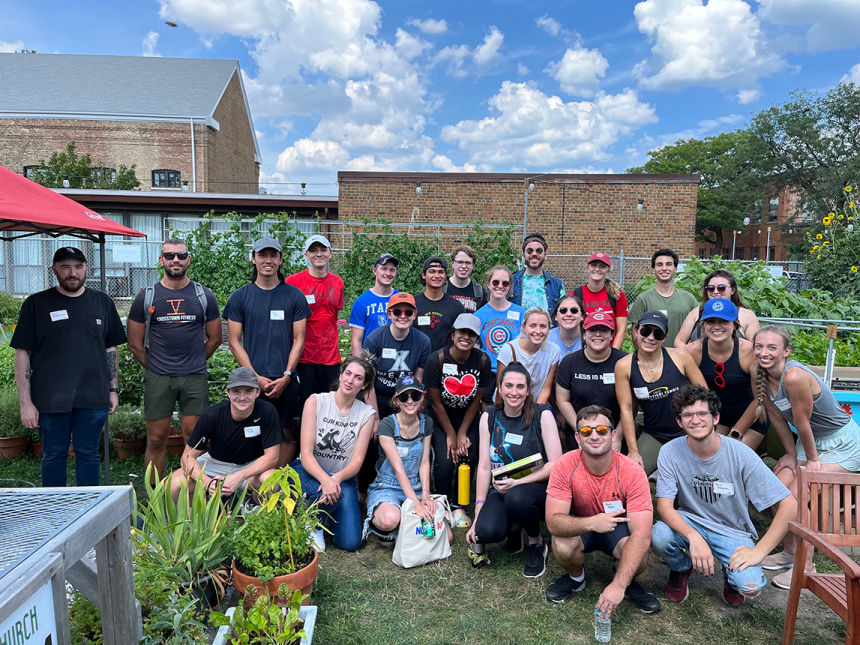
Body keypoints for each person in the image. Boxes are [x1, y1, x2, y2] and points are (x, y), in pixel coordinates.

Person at [652, 385, 796, 606]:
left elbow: (789, 506)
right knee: (659, 535)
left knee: (750, 588)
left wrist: (760, 551)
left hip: (731, 529)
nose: (696, 420)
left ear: (715, 417)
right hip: (691, 520)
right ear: (679, 422)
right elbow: (664, 507)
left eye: (702, 413)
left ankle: (731, 575)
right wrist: (694, 537)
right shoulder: (670, 451)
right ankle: (681, 568)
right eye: (687, 415)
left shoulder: (740, 453)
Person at [745, 325, 860, 589]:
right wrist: (789, 454)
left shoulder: (794, 376)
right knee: (777, 488)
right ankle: (789, 553)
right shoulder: (757, 371)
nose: (764, 353)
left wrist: (810, 463)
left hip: (842, 443)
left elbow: (802, 422)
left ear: (786, 351)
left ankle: (807, 564)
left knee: (799, 492)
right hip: (809, 442)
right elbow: (774, 415)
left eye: (772, 347)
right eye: (759, 346)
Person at [12, 246, 126, 487]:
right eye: (65, 267)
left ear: (86, 268)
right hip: (50, 398)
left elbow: (110, 349)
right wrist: (26, 402)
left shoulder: (102, 302)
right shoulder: (36, 304)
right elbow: (23, 353)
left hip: (93, 396)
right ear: (54, 270)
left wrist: (112, 389)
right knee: (54, 455)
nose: (72, 273)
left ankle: (88, 513)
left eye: (77, 266)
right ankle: (55, 512)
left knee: (89, 454)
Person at [543, 405, 660, 615]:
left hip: (618, 527)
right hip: (583, 524)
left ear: (613, 435)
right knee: (560, 542)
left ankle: (625, 580)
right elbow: (552, 521)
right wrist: (591, 522)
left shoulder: (633, 471)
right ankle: (576, 578)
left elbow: (642, 536)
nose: (594, 436)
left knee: (639, 555)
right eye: (587, 431)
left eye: (602, 430)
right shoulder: (564, 465)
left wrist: (619, 586)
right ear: (578, 438)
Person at [126, 238, 222, 482]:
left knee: (195, 438)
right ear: (161, 261)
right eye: (170, 256)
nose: (175, 260)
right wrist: (157, 366)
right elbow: (135, 344)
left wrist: (195, 361)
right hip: (159, 378)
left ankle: (193, 495)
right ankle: (155, 498)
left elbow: (214, 339)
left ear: (189, 259)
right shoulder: (146, 297)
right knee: (157, 439)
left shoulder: (204, 296)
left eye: (181, 255)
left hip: (194, 377)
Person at [466, 363, 563, 578]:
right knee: (486, 531)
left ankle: (536, 543)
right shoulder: (489, 416)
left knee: (517, 497)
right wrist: (478, 511)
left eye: (520, 387)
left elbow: (556, 464)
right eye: (508, 386)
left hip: (538, 488)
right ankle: (514, 528)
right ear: (499, 388)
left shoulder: (542, 414)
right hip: (502, 488)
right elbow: (483, 466)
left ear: (528, 390)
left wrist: (518, 483)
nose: (514, 392)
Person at [223, 237, 311, 466]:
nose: (268, 261)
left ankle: (277, 487)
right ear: (253, 259)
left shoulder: (294, 296)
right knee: (252, 431)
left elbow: (299, 339)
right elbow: (233, 341)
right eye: (263, 255)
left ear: (281, 260)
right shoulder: (240, 297)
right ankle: (252, 487)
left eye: (273, 255)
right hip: (252, 380)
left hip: (285, 378)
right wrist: (253, 377)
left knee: (286, 433)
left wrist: (287, 376)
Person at [292, 354, 378, 552]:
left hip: (343, 478)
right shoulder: (315, 402)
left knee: (350, 543)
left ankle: (323, 510)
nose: (350, 380)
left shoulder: (367, 414)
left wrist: (334, 480)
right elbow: (305, 453)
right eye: (348, 373)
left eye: (358, 377)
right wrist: (325, 480)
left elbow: (357, 462)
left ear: (364, 385)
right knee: (330, 493)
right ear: (340, 375)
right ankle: (313, 524)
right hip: (307, 470)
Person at [363, 375, 452, 545]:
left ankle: (402, 532)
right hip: (389, 486)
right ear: (396, 401)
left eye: (415, 396)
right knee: (389, 519)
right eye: (404, 397)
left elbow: (425, 462)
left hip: (416, 487)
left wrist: (425, 495)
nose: (410, 401)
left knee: (447, 536)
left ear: (422, 398)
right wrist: (416, 505)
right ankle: (390, 520)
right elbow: (398, 469)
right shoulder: (387, 425)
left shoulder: (427, 423)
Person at [169, 367, 280, 502]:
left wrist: (239, 476)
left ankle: (255, 513)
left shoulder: (267, 411)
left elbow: (272, 457)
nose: (242, 397)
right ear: (228, 392)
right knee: (175, 484)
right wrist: (207, 482)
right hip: (215, 463)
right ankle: (195, 519)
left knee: (272, 481)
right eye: (236, 391)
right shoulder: (212, 415)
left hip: (251, 465)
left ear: (257, 392)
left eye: (249, 391)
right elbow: (187, 457)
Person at [615, 311, 706, 475]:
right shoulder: (624, 366)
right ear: (636, 331)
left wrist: (702, 431)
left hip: (687, 433)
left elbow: (704, 395)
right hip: (654, 434)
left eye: (657, 333)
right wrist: (633, 450)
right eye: (645, 331)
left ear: (664, 337)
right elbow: (627, 409)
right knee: (630, 475)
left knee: (690, 486)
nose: (650, 337)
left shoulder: (680, 357)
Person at [424, 313, 492, 526]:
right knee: (445, 459)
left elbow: (477, 400)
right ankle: (443, 503)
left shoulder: (482, 360)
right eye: (462, 332)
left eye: (472, 334)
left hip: (466, 416)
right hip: (439, 416)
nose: (466, 337)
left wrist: (462, 433)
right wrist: (451, 435)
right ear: (453, 334)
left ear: (477, 338)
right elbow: (434, 402)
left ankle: (459, 506)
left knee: (469, 457)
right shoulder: (437, 360)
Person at [680, 299, 767, 447]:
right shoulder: (694, 351)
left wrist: (735, 433)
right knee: (710, 450)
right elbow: (692, 393)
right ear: (703, 325)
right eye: (710, 321)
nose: (716, 326)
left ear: (735, 324)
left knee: (734, 453)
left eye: (723, 321)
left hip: (751, 415)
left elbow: (759, 399)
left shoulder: (749, 352)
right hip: (717, 415)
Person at [286, 234, 344, 415]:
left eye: (323, 250)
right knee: (306, 409)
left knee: (330, 408)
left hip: (330, 356)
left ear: (330, 254)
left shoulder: (337, 282)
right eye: (313, 250)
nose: (318, 254)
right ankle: (305, 444)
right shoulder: (293, 282)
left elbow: (333, 316)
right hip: (304, 357)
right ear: (306, 255)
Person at [556, 311, 627, 452]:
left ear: (612, 334)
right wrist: (583, 432)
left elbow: (631, 405)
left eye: (604, 330)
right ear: (584, 333)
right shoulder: (569, 362)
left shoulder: (624, 362)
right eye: (592, 329)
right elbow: (562, 400)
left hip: (615, 432)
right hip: (578, 430)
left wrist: (617, 437)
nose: (598, 334)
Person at [363, 293, 432, 421]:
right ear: (389, 314)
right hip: (378, 397)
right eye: (397, 312)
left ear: (414, 315)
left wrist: (411, 409)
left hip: (405, 397)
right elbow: (368, 382)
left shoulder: (423, 341)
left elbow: (418, 378)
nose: (403, 316)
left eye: (408, 312)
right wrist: (375, 418)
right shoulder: (374, 339)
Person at [474, 265, 525, 408]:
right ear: (489, 284)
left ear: (510, 287)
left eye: (505, 283)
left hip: (514, 370)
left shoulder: (521, 313)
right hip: (488, 372)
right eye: (496, 282)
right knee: (488, 408)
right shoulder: (478, 316)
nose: (500, 286)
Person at [628, 248, 697, 347]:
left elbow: (697, 331)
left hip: (681, 358)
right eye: (659, 265)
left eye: (669, 264)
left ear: (675, 269)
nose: (664, 268)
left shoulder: (689, 299)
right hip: (652, 359)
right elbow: (635, 332)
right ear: (653, 269)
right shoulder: (644, 299)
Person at [674, 269, 760, 347]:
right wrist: (692, 355)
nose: (716, 292)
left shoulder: (747, 315)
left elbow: (756, 346)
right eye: (711, 288)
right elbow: (679, 340)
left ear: (733, 290)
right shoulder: (697, 312)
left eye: (721, 288)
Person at [496, 307, 560, 404]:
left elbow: (545, 389)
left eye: (543, 326)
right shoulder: (508, 349)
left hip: (533, 406)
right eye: (532, 326)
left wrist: (536, 414)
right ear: (524, 327)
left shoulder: (553, 351)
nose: (538, 331)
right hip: (509, 405)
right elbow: (502, 389)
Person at [572, 252, 628, 349]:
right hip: (584, 351)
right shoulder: (576, 295)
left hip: (609, 350)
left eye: (602, 266)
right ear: (587, 268)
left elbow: (621, 330)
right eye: (594, 265)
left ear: (608, 271)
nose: (597, 269)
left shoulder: (616, 295)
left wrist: (613, 354)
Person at [413, 256, 466, 352]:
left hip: (446, 363)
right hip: (418, 362)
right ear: (424, 275)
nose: (437, 275)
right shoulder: (413, 304)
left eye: (441, 272)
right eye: (432, 271)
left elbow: (462, 337)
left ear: (446, 276)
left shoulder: (456, 307)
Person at [349, 253, 399, 355]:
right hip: (370, 359)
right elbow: (356, 341)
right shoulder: (361, 302)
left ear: (396, 273)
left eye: (392, 270)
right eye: (384, 269)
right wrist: (359, 367)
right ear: (374, 271)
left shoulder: (400, 299)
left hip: (396, 359)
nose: (388, 273)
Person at [511, 233, 565, 314]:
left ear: (545, 255)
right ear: (524, 256)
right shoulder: (511, 282)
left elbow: (563, 313)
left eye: (539, 251)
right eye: (530, 251)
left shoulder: (557, 285)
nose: (534, 254)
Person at [443, 245, 487, 313]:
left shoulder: (480, 292)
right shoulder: (441, 289)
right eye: (460, 262)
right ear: (452, 263)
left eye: (468, 263)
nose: (464, 266)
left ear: (473, 265)